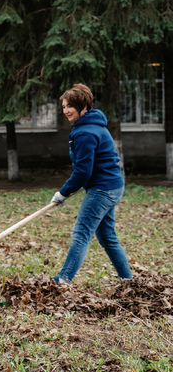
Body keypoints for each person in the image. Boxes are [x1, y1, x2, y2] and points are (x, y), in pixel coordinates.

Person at [50, 83, 132, 284]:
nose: (66, 111)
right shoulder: (91, 126)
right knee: (107, 237)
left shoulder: (85, 133)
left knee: (81, 232)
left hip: (103, 189)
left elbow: (82, 172)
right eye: (64, 106)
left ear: (83, 107)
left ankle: (63, 279)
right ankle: (128, 281)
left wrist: (63, 193)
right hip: (112, 186)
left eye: (70, 106)